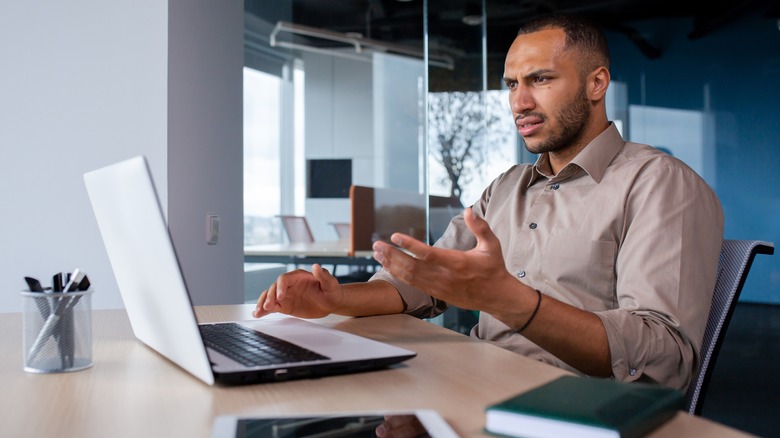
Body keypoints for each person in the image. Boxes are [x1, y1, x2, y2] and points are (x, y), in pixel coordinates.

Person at [253, 14, 724, 391]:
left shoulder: (662, 184)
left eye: (539, 79)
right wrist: (337, 299)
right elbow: (422, 282)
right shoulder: (506, 187)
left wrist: (509, 300)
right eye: (511, 84)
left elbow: (666, 358)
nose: (519, 102)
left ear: (596, 84)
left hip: (575, 406)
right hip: (475, 385)